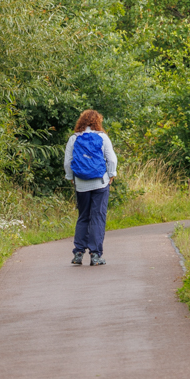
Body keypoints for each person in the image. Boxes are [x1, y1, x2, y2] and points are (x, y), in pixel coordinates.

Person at [64, 109, 117, 265]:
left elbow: (68, 162)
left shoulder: (74, 139)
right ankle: (95, 254)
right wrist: (111, 174)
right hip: (100, 182)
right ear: (97, 122)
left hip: (81, 184)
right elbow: (112, 159)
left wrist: (70, 177)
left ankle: (78, 253)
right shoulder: (102, 137)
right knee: (98, 217)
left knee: (83, 217)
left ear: (81, 122)